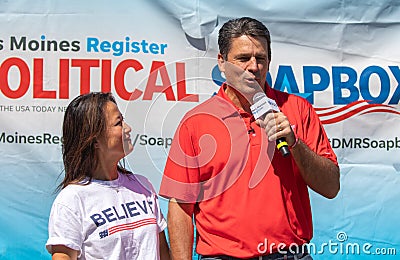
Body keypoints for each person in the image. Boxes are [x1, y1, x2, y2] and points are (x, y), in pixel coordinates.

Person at [159, 17, 340, 259]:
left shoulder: (298, 109)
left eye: (261, 58)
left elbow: (331, 187)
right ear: (222, 63)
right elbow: (181, 205)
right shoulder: (197, 121)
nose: (253, 67)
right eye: (243, 58)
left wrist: (295, 143)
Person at [46, 92, 170, 260]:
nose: (128, 128)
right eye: (119, 123)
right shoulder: (72, 200)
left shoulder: (143, 186)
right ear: (94, 139)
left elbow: (163, 253)